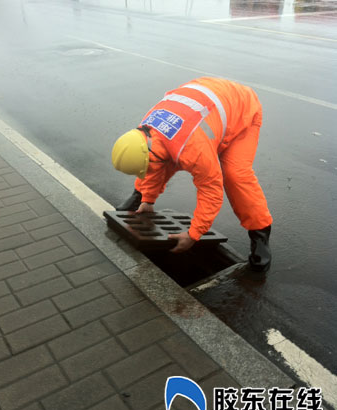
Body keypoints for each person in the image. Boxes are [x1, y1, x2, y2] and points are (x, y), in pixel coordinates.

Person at [111, 77, 273, 272]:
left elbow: (211, 192)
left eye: (145, 168)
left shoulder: (193, 149)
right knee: (165, 159)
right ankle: (139, 196)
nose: (147, 171)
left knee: (235, 175)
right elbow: (156, 166)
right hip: (212, 99)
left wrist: (194, 234)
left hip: (243, 110)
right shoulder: (146, 133)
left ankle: (260, 235)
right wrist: (148, 199)